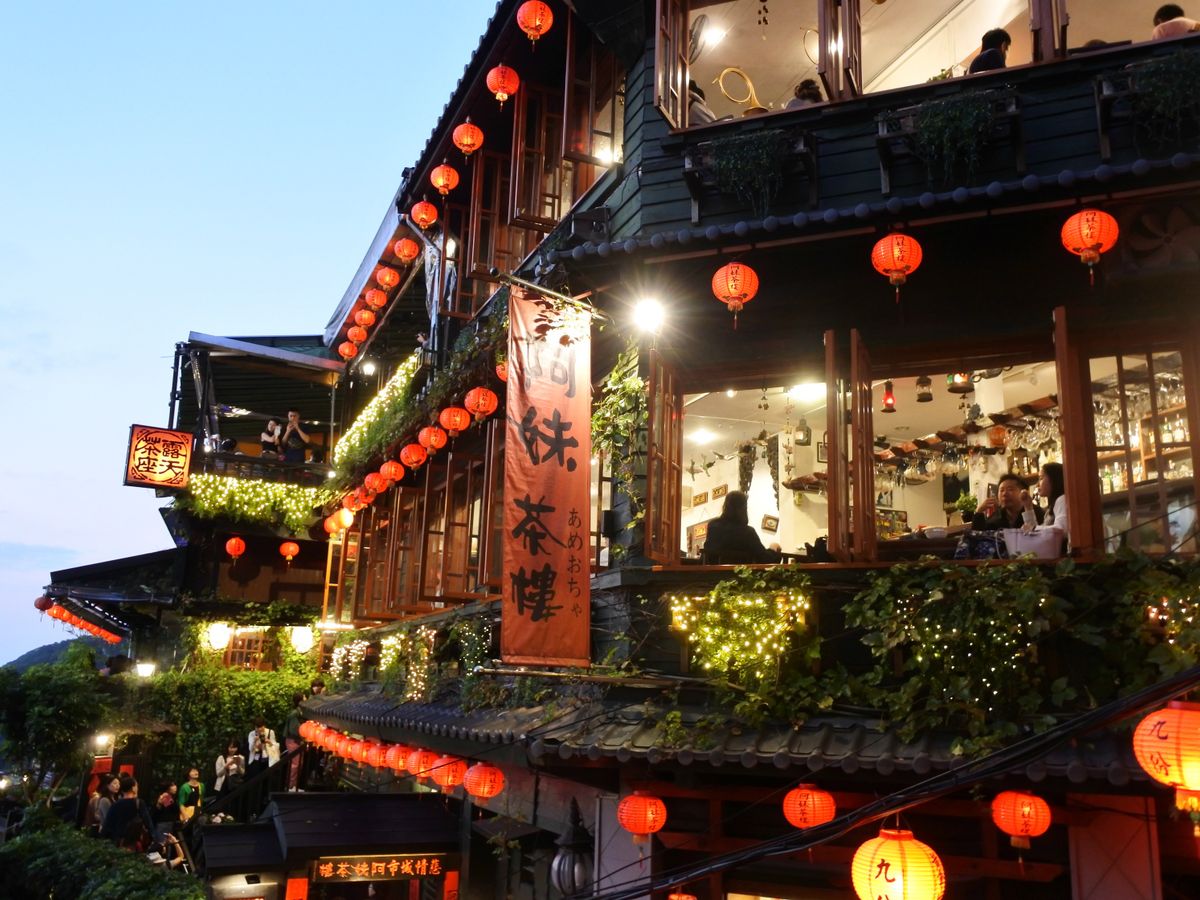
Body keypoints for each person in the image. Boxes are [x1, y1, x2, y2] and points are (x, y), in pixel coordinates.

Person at [702, 491, 782, 564]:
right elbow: (764, 558)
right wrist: (773, 549)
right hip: (740, 574)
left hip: (714, 573)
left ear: (725, 506)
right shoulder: (747, 532)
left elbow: (708, 552)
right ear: (744, 508)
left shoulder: (713, 526)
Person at [100, 775, 156, 849]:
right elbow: (148, 822)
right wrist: (153, 838)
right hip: (134, 843)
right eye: (136, 786)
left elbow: (107, 825)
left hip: (118, 843)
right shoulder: (139, 803)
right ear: (133, 788)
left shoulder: (115, 805)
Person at [972, 473, 1044, 530]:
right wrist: (979, 512)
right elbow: (979, 536)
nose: (1004, 494)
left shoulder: (1035, 512)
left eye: (1010, 489)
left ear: (1023, 491)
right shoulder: (997, 516)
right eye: (1001, 490)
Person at [283, 692, 305, 791]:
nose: (306, 699)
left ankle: (293, 785)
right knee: (295, 764)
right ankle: (291, 786)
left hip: (295, 740)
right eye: (304, 697)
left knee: (298, 763)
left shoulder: (298, 712)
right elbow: (295, 730)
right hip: (293, 740)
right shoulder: (295, 714)